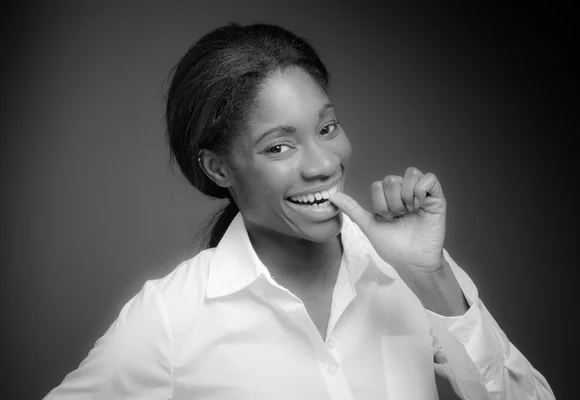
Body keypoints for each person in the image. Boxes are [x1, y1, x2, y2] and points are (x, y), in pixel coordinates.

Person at [44, 23, 555, 399]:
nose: (324, 164)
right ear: (219, 168)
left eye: (327, 128)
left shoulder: (407, 274)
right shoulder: (171, 318)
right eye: (278, 147)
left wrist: (432, 277)